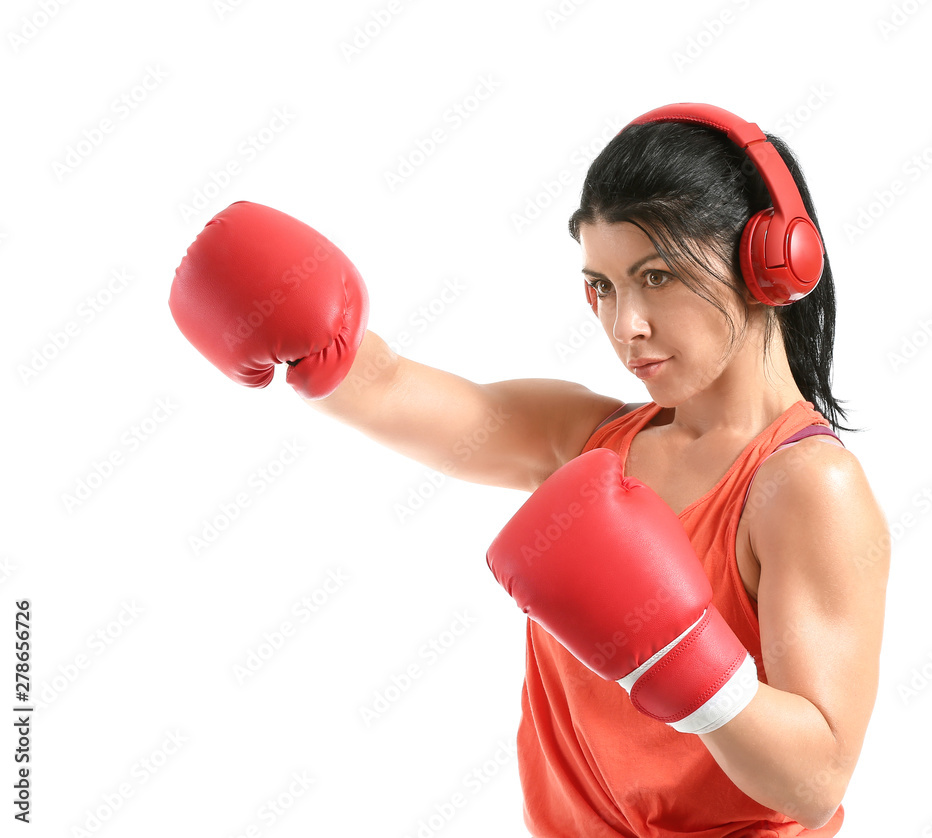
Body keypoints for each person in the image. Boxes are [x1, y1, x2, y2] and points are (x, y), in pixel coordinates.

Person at [168, 103, 890, 837]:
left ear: (767, 263)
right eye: (602, 286)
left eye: (657, 276)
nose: (625, 326)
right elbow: (386, 387)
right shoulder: (590, 439)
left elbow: (815, 777)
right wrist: (303, 332)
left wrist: (682, 658)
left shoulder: (805, 486)